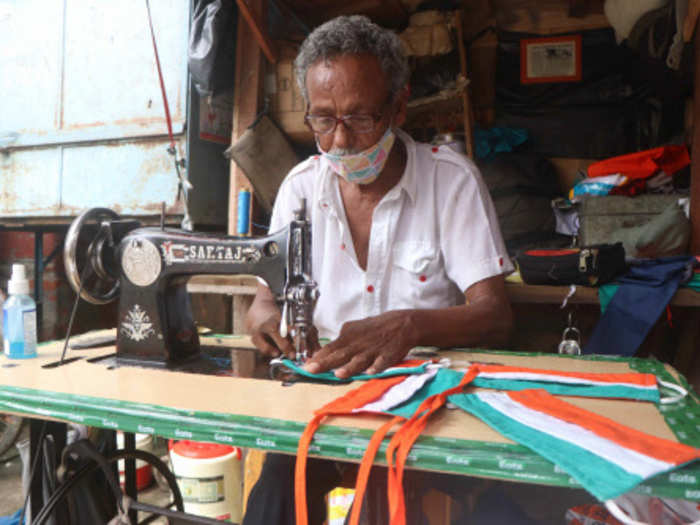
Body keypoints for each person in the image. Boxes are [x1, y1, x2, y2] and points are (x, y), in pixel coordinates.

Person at [243, 14, 514, 525]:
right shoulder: (301, 188)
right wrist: (261, 310)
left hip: (428, 400)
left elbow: (495, 313)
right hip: (328, 392)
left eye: (361, 118)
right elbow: (266, 295)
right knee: (276, 491)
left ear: (399, 105)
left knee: (389, 498)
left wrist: (410, 324)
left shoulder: (451, 182)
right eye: (323, 120)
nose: (341, 141)